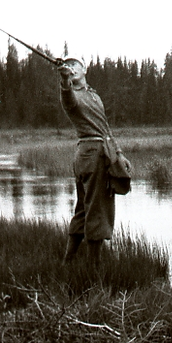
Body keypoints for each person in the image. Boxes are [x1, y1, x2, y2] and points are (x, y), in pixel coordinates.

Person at [57, 57, 116, 265]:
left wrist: (119, 153)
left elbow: (105, 127)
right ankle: (94, 270)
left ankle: (68, 263)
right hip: (90, 155)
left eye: (75, 65)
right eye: (68, 66)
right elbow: (67, 98)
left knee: (83, 208)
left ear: (85, 69)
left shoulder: (94, 96)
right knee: (96, 209)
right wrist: (64, 81)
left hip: (99, 152)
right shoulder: (72, 94)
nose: (71, 69)